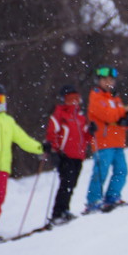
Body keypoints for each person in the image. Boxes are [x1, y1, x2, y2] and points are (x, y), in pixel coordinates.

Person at [0, 83, 46, 241]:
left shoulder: (8, 121)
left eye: (1, 99)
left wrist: (41, 147)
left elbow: (23, 139)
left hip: (3, 168)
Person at [84, 66, 128, 213]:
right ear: (99, 81)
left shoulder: (115, 98)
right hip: (103, 142)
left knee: (122, 170)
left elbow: (118, 119)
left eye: (111, 80)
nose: (108, 83)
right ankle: (93, 201)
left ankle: (112, 197)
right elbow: (108, 115)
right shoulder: (96, 97)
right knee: (100, 172)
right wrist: (125, 110)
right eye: (105, 80)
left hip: (117, 141)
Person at [45, 85, 95, 225]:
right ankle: (57, 212)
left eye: (76, 98)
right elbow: (52, 133)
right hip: (65, 155)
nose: (73, 101)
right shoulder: (60, 114)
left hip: (78, 156)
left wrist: (90, 132)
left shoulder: (80, 117)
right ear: (64, 100)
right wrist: (54, 151)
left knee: (72, 183)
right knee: (66, 183)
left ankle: (65, 210)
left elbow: (85, 138)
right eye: (70, 99)